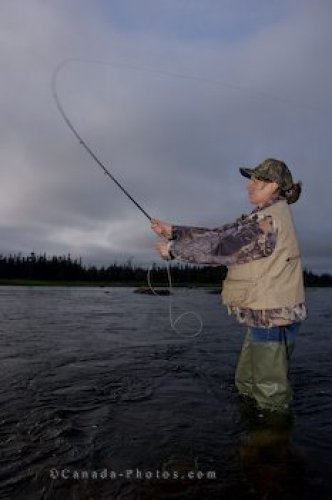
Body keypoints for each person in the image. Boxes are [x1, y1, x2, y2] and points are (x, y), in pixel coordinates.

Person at [151, 158, 307, 413]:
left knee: (269, 392)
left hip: (271, 315)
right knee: (246, 383)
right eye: (251, 179)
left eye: (258, 180)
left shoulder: (269, 221)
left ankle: (272, 440)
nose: (250, 185)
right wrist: (174, 231)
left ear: (274, 185)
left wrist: (173, 250)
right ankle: (252, 426)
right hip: (267, 312)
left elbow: (224, 248)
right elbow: (220, 235)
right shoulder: (262, 216)